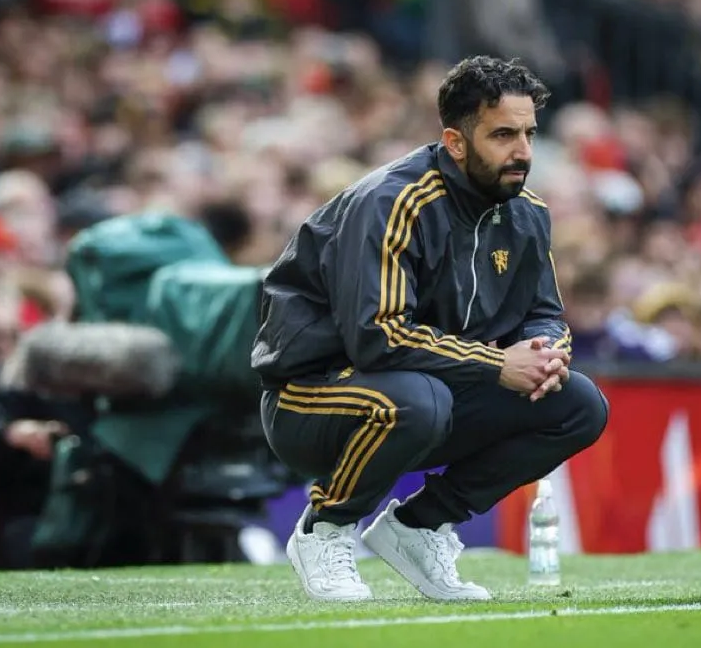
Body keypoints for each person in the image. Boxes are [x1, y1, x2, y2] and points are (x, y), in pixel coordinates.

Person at [252, 56, 608, 602]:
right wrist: (498, 363)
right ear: (455, 142)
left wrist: (546, 355)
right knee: (420, 399)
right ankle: (324, 529)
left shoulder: (527, 213)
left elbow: (544, 312)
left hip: (431, 390)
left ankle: (420, 527)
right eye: (504, 135)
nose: (523, 152)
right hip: (309, 398)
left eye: (530, 134)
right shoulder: (392, 201)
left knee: (578, 404)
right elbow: (380, 337)